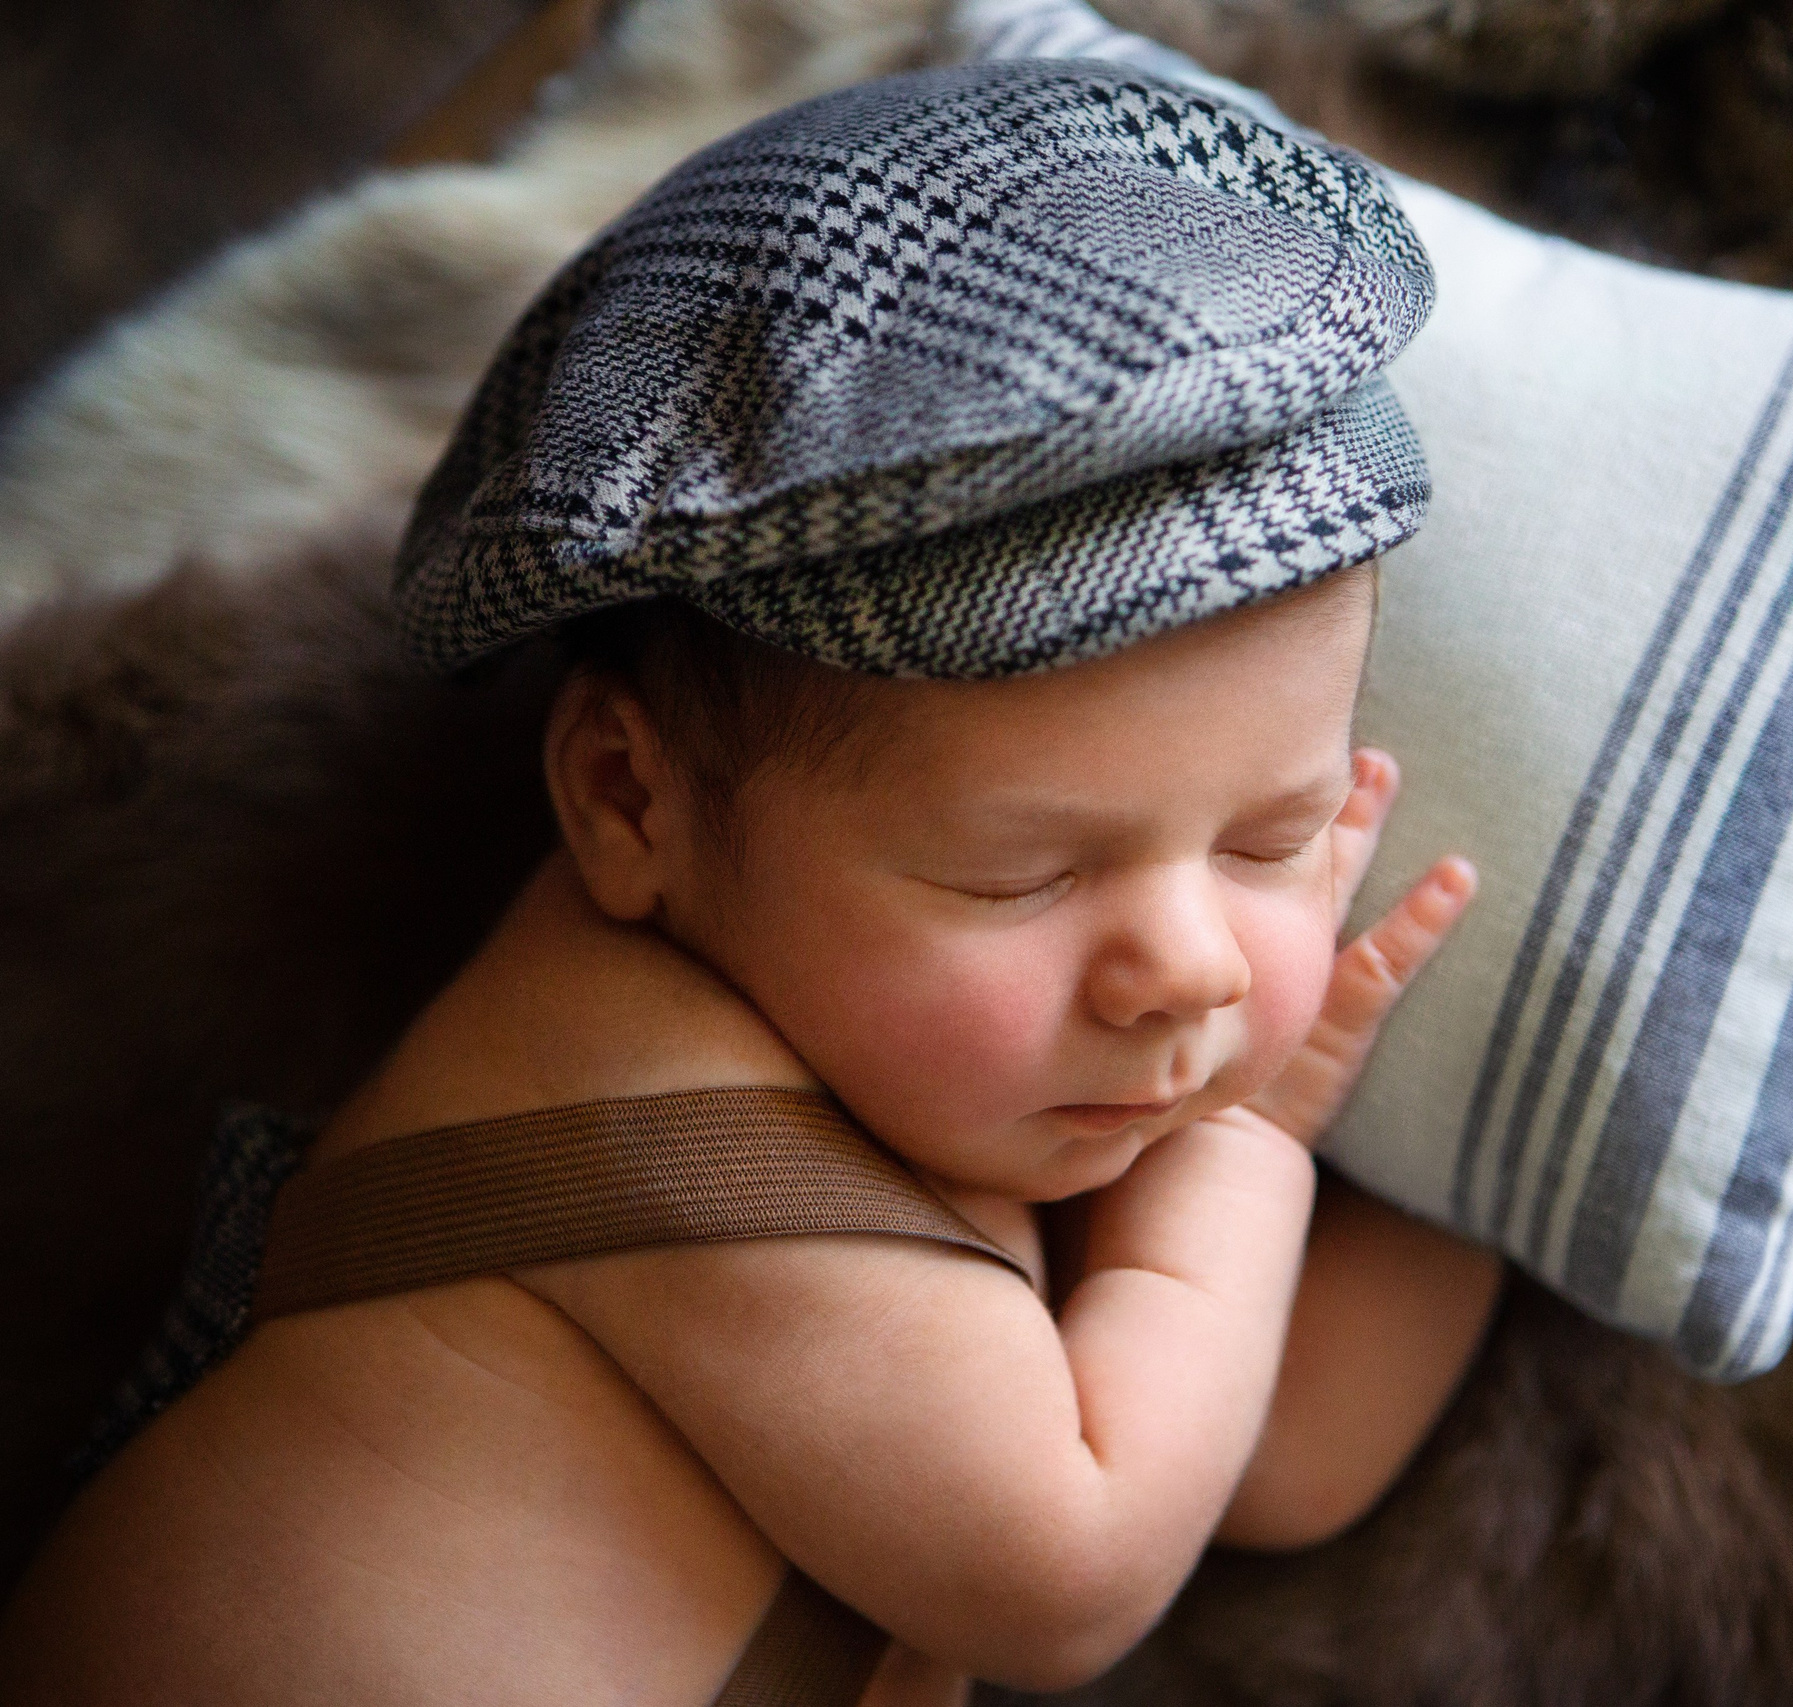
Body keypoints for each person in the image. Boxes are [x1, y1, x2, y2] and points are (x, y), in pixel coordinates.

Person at [0, 58, 1505, 1707]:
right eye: (1017, 874)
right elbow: (1075, 1567)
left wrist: (1511, 1100)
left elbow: (1265, 1455)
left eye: (1270, 843)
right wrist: (1253, 1143)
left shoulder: (921, 1050)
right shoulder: (641, 1075)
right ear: (629, 799)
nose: (1190, 968)